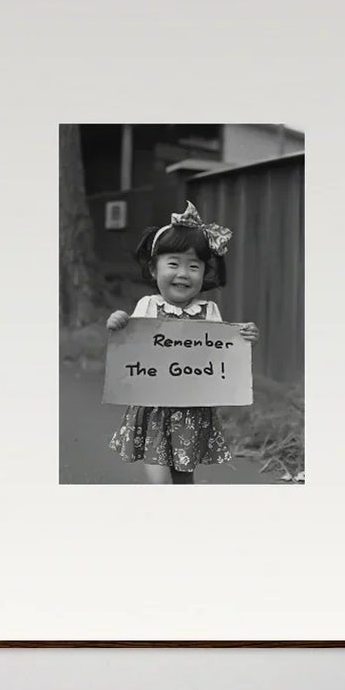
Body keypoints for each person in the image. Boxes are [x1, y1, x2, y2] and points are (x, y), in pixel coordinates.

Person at [106, 200, 258, 484]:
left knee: (184, 473)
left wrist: (244, 337)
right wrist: (117, 322)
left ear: (204, 272)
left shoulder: (209, 311)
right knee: (159, 472)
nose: (183, 273)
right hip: (153, 405)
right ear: (154, 270)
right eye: (173, 264)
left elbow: (222, 353)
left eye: (193, 266)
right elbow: (129, 344)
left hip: (192, 407)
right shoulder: (148, 306)